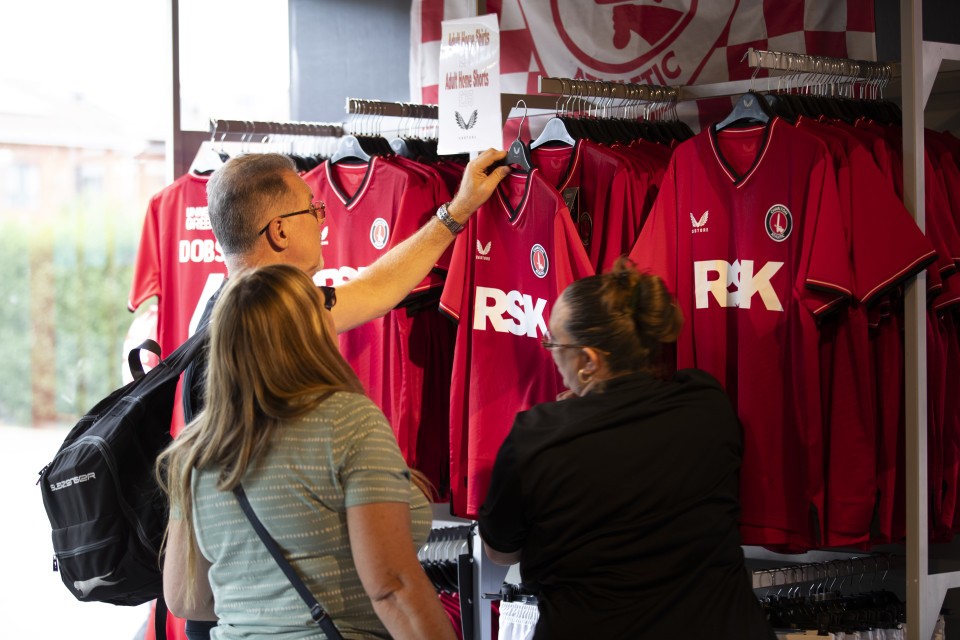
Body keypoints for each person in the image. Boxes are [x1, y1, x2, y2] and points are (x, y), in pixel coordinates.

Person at [173, 148, 510, 639]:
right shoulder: (341, 419)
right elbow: (392, 586)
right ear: (280, 231)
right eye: (313, 209)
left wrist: (455, 211)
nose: (322, 221)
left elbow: (378, 285)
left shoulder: (228, 320)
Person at [477, 256, 776, 639]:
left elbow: (500, 553)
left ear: (588, 360)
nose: (550, 354)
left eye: (553, 343)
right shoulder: (706, 402)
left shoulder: (536, 439)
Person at [157, 263, 457, 639]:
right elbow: (393, 587)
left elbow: (187, 598)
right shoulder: (347, 422)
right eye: (325, 305)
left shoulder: (196, 450)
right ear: (309, 331)